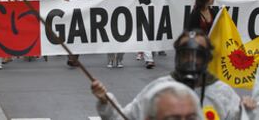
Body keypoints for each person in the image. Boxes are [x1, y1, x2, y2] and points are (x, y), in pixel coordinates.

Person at [91, 30, 257, 119]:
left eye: (197, 55)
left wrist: (249, 111)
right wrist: (106, 102)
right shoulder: (158, 90)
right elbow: (126, 118)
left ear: (207, 58)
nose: (191, 60)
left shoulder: (223, 94)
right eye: (186, 55)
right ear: (178, 56)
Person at [58, 0, 92, 67]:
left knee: (78, 38)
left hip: (81, 15)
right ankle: (71, 57)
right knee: (70, 37)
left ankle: (74, 58)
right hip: (69, 15)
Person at [136, 0, 169, 68]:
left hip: (158, 16)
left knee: (154, 37)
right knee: (147, 37)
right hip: (146, 15)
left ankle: (151, 54)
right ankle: (149, 59)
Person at [106, 0, 132, 68]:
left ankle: (119, 59)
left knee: (123, 41)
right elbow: (106, 3)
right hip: (113, 18)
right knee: (111, 40)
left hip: (125, 19)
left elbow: (133, 3)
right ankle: (110, 59)